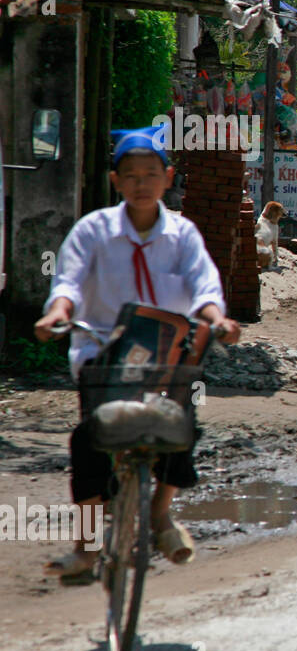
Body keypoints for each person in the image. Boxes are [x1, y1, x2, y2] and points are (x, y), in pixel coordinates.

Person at [34, 128, 242, 583]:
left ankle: (161, 514)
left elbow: (204, 286)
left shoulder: (183, 234)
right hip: (103, 349)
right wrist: (58, 314)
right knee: (88, 441)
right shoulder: (94, 231)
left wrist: (218, 320)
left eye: (152, 174)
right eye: (132, 175)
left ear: (168, 178)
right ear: (116, 180)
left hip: (168, 351)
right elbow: (68, 281)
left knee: (180, 426)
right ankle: (86, 547)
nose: (142, 183)